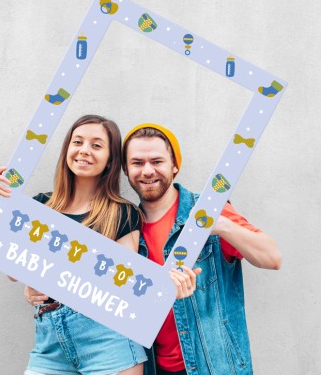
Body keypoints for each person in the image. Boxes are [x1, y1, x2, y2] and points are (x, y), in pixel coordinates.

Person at [0, 115, 200, 375]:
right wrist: (1, 206)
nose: (84, 150)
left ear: (110, 160)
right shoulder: (40, 205)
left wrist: (167, 289)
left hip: (108, 340)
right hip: (49, 341)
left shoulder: (122, 213)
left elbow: (124, 288)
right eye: (77, 142)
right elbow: (13, 270)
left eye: (96, 145)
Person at [119, 123, 282, 375]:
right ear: (126, 170)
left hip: (215, 367)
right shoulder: (128, 229)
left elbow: (272, 258)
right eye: (137, 163)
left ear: (174, 165)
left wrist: (223, 226)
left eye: (157, 161)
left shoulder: (207, 209)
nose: (148, 170)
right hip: (154, 367)